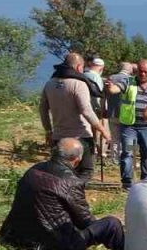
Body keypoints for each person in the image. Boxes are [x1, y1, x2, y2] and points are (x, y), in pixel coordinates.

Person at [0, 138, 125, 250]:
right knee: (111, 224)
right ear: (77, 160)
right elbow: (85, 221)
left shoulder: (33, 170)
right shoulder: (71, 182)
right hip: (53, 245)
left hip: (15, 236)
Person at [39, 52, 111, 180]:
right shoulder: (79, 84)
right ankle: (76, 196)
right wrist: (102, 130)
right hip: (80, 136)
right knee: (85, 171)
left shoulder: (49, 84)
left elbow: (43, 109)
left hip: (58, 136)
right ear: (78, 67)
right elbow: (86, 110)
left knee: (59, 173)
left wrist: (48, 130)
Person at [111, 58, 147, 189]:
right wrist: (110, 87)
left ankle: (145, 180)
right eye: (140, 71)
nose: (143, 74)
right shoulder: (128, 82)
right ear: (136, 72)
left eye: (146, 72)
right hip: (130, 127)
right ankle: (127, 182)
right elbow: (115, 89)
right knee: (128, 153)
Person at [104, 61, 134, 161]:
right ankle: (130, 158)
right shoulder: (131, 80)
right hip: (127, 114)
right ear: (130, 70)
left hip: (112, 112)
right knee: (130, 138)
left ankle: (114, 159)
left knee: (115, 138)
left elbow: (105, 95)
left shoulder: (111, 78)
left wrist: (104, 108)